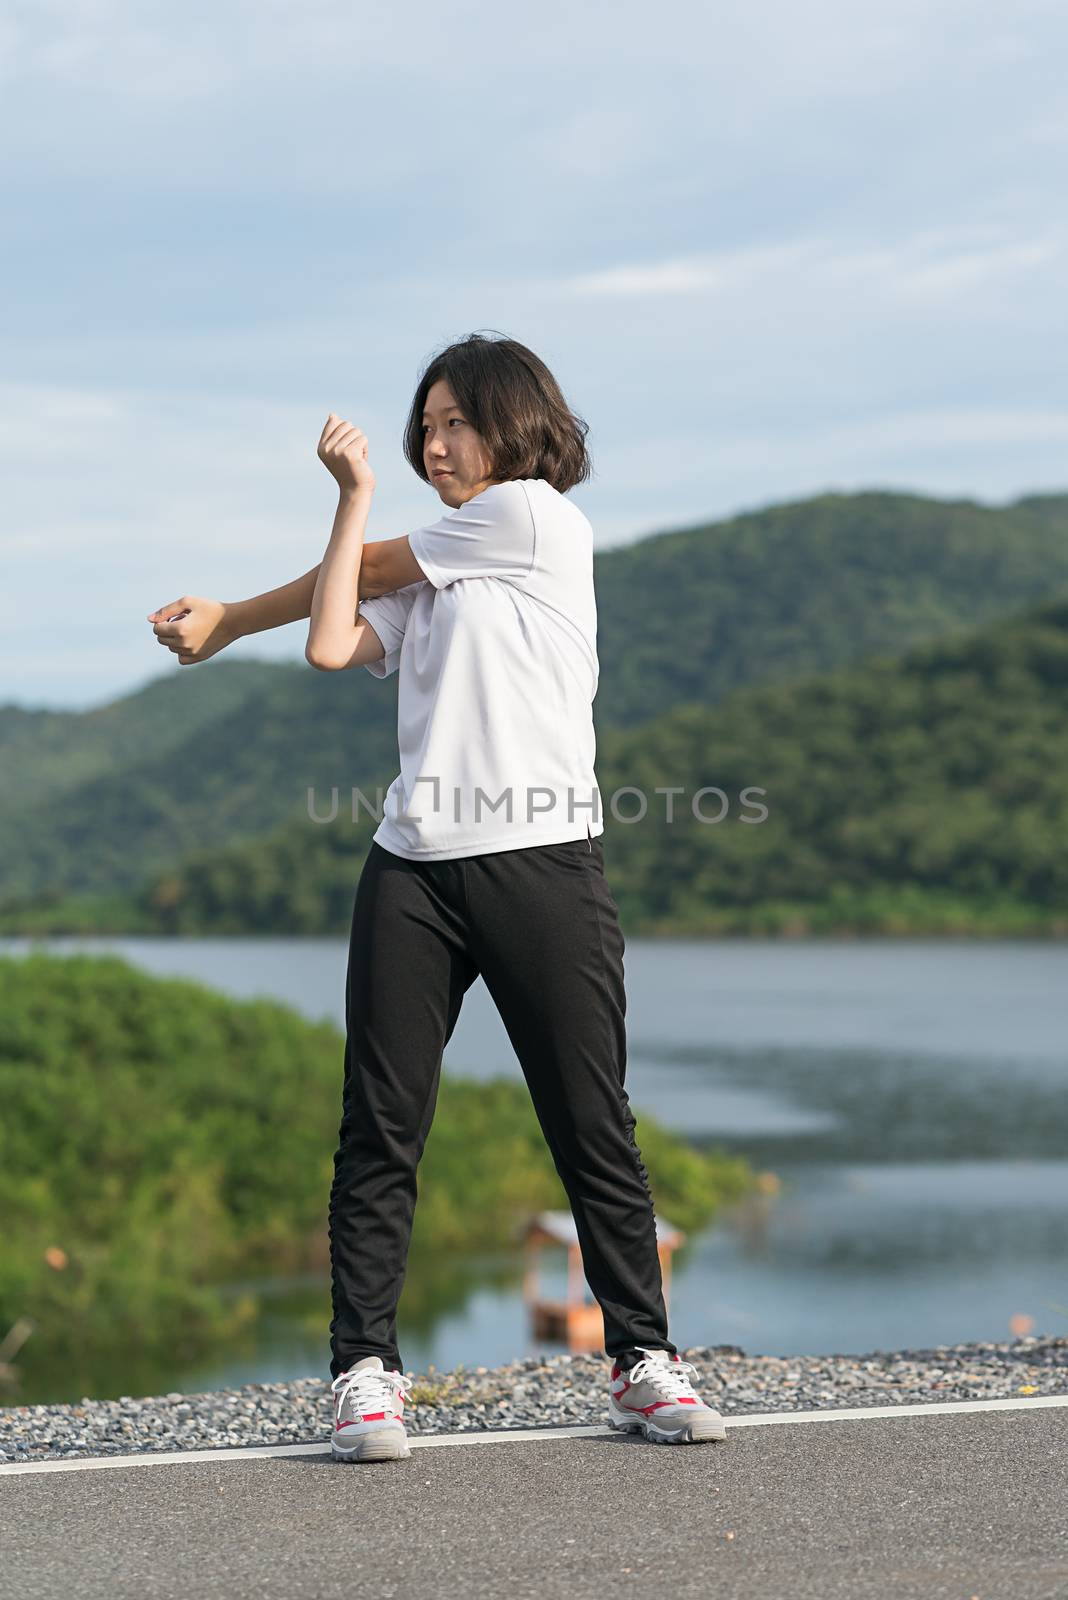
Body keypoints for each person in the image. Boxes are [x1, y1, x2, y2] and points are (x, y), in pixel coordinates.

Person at [147, 331, 728, 1462]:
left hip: (545, 861)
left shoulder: (531, 518)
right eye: (426, 426)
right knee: (379, 1129)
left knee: (589, 1121)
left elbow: (362, 573)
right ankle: (365, 1372)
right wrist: (354, 498)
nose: (435, 441)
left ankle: (641, 1361)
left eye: (456, 420)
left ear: (515, 425)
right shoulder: (440, 570)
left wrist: (223, 618)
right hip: (411, 866)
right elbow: (331, 642)